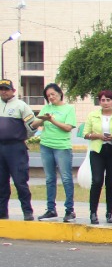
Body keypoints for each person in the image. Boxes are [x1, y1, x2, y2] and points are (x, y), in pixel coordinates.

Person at [32, 83, 77, 221]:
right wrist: (42, 119)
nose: (51, 98)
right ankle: (51, 209)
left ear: (59, 93)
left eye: (53, 94)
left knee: (66, 178)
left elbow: (68, 128)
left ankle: (70, 210)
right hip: (46, 145)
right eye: (48, 96)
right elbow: (33, 125)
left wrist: (52, 119)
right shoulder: (46, 108)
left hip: (62, 147)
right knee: (50, 178)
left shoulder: (69, 108)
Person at [82, 89, 112, 224]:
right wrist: (98, 136)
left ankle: (110, 212)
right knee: (97, 181)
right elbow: (85, 133)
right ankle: (93, 212)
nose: (105, 103)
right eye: (103, 100)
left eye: (108, 100)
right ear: (99, 102)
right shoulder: (93, 115)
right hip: (97, 150)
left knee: (111, 183)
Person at [0, 79, 36, 220]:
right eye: (1, 89)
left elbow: (32, 126)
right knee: (1, 182)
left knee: (20, 181)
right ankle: (2, 212)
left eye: (6, 89)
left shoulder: (21, 106)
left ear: (13, 91)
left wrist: (21, 137)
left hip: (15, 148)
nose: (3, 91)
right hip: (0, 147)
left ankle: (27, 211)